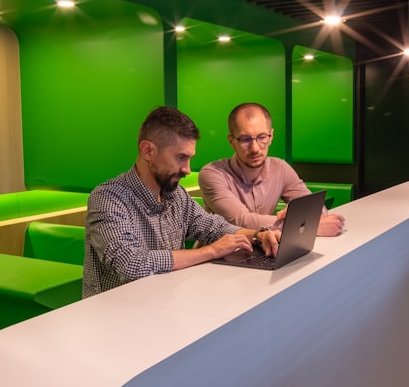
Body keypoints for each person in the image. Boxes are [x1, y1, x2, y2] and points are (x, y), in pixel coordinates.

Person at [83, 106, 280, 298]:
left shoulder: (176, 195)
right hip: (117, 317)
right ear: (148, 150)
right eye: (181, 158)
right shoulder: (107, 198)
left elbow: (213, 227)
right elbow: (131, 264)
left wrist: (258, 235)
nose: (187, 169)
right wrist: (211, 251)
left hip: (168, 305)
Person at [198, 102, 345, 236]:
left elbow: (315, 207)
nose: (255, 148)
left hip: (262, 250)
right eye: (245, 139)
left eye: (262, 137)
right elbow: (240, 221)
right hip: (219, 258)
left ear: (271, 136)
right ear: (232, 141)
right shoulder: (212, 174)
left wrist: (299, 215)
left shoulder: (280, 168)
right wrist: (303, 225)